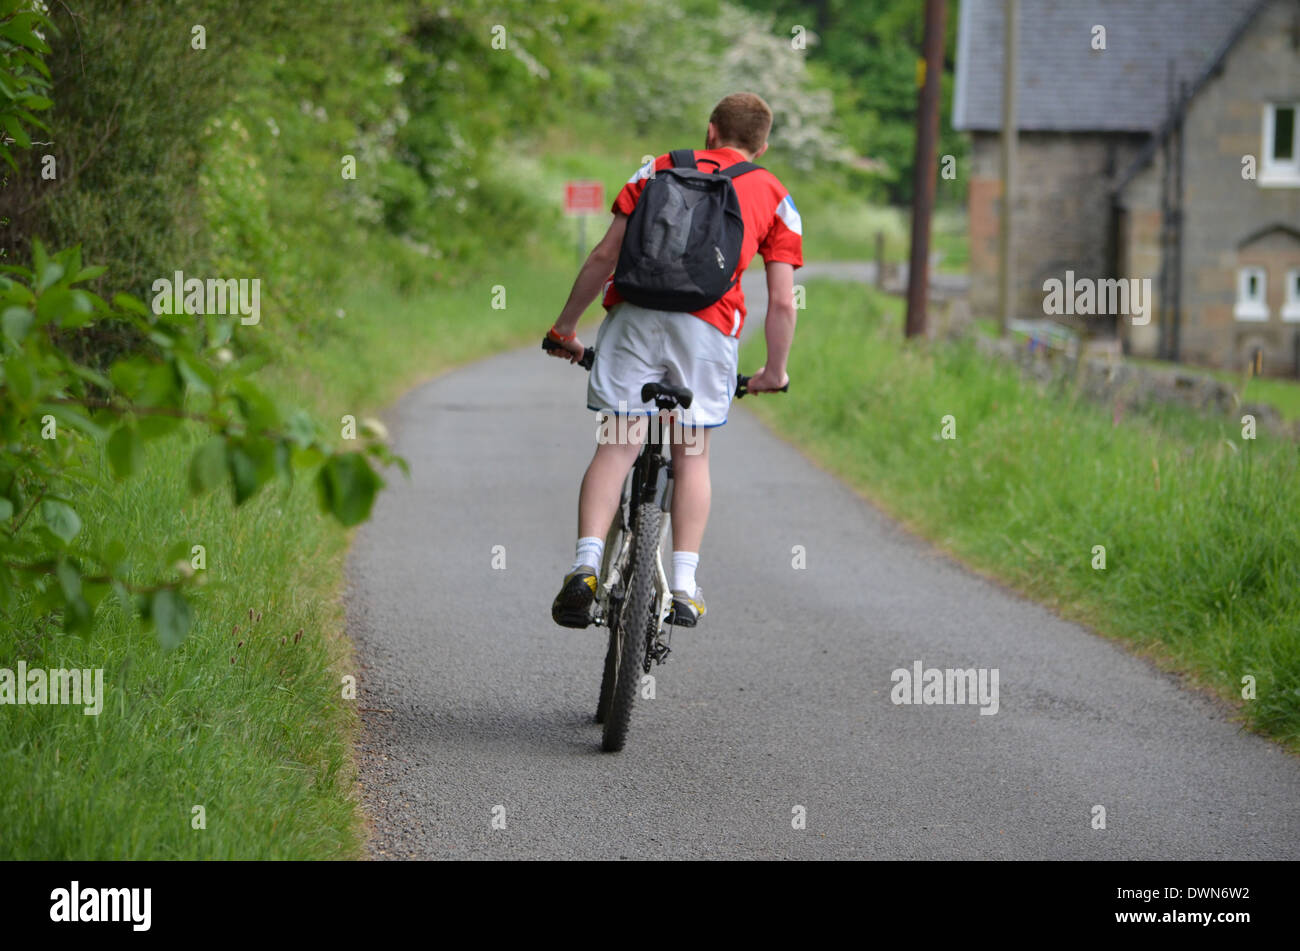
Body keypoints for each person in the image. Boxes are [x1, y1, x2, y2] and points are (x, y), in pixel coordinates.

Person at [545, 91, 802, 629]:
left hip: (634, 320)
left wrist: (566, 327)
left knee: (617, 446)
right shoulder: (775, 194)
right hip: (706, 335)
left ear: (711, 131)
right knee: (692, 455)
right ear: (763, 144)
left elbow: (604, 256)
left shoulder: (656, 168)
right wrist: (772, 372)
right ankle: (683, 585)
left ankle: (585, 565)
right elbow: (782, 302)